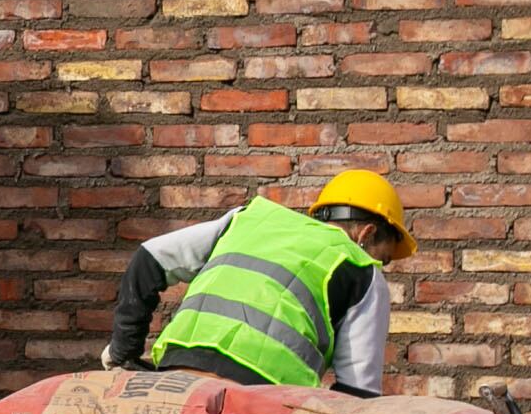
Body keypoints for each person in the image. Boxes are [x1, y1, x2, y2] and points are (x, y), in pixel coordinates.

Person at [104, 170, 415, 396]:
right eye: (384, 258)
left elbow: (150, 258)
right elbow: (357, 393)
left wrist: (124, 354)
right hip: (264, 399)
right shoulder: (361, 268)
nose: (381, 266)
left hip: (176, 372)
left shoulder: (250, 217)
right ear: (367, 234)